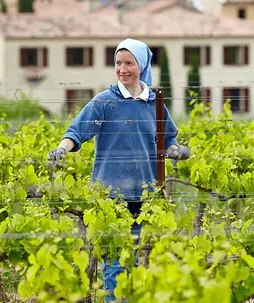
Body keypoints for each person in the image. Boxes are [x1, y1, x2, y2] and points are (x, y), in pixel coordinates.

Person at [47, 38, 190, 302]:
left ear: (142, 65)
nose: (122, 69)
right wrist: (62, 149)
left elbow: (169, 139)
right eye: (118, 63)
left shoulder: (154, 102)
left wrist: (175, 151)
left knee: (136, 258)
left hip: (145, 195)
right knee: (114, 260)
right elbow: (77, 131)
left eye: (129, 63)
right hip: (110, 195)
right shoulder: (104, 101)